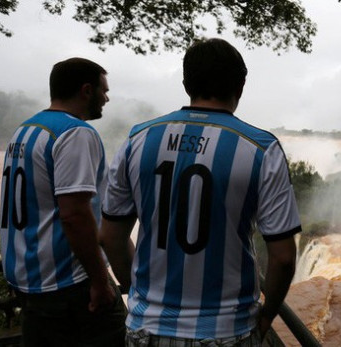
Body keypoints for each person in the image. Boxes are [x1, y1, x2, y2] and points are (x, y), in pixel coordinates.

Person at [100, 38, 301, 346]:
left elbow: (111, 237)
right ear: (241, 85)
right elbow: (284, 258)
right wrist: (266, 315)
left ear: (185, 83)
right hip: (226, 331)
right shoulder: (261, 149)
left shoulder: (137, 140)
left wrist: (138, 294)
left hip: (146, 330)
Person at [0, 58, 126, 346]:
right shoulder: (75, 133)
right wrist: (98, 280)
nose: (107, 98)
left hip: (27, 279)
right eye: (103, 90)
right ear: (86, 90)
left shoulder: (25, 130)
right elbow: (75, 215)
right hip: (68, 281)